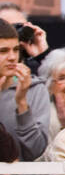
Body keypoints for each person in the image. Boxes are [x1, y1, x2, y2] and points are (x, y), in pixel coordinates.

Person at [0, 18, 51, 163]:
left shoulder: (35, 89)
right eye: (3, 51)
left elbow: (35, 151)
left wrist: (22, 103)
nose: (12, 57)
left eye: (16, 50)